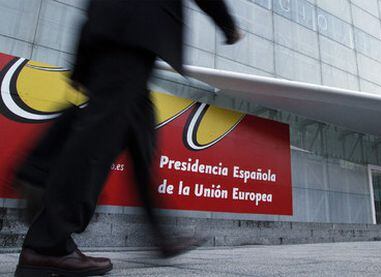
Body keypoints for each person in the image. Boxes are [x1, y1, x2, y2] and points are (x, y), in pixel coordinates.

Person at [14, 0, 242, 276]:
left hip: (115, 29)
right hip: (134, 32)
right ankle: (48, 244)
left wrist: (82, 59)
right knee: (97, 141)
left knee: (141, 138)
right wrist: (228, 25)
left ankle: (161, 237)